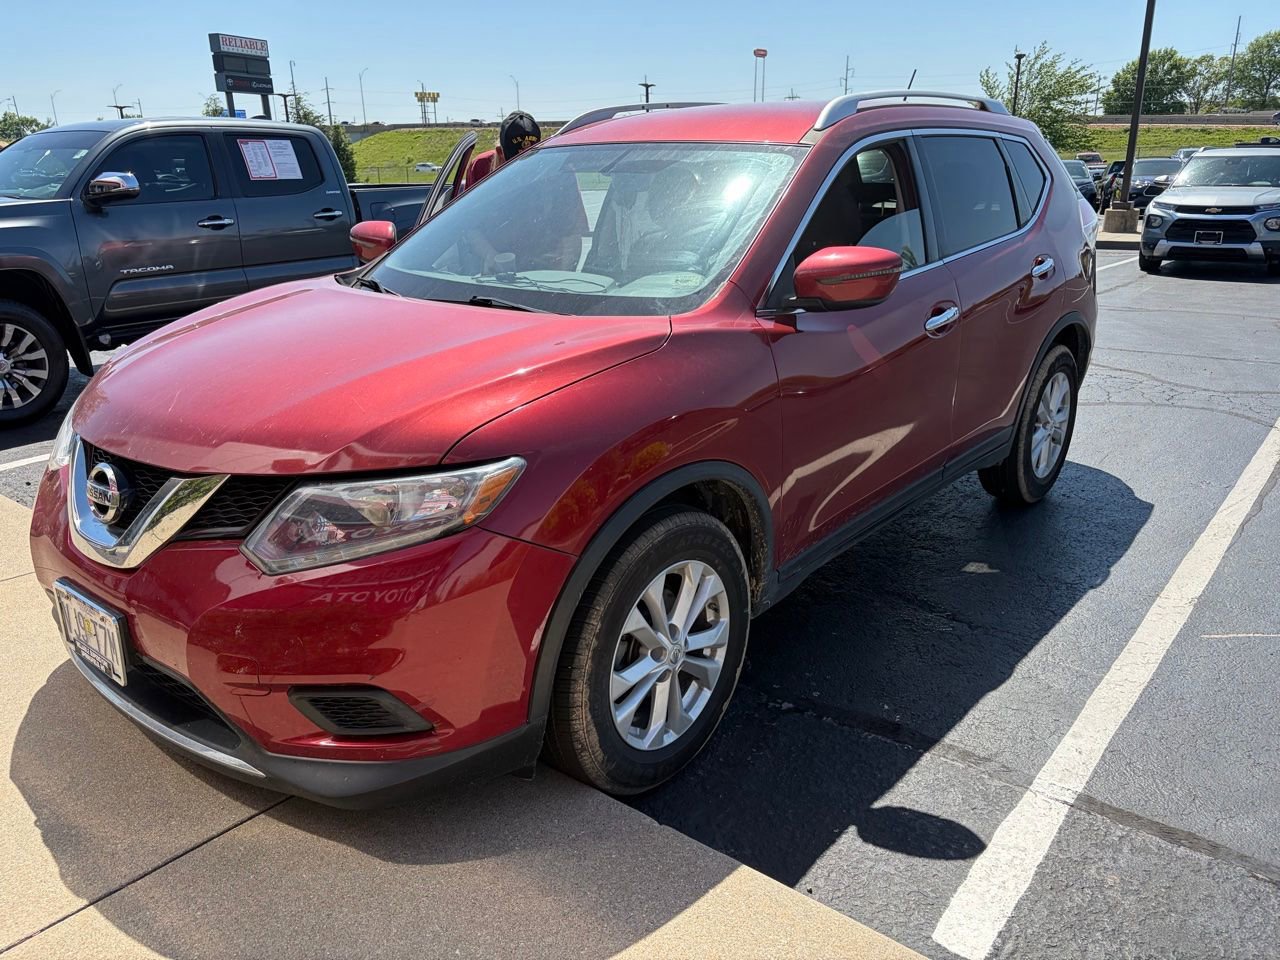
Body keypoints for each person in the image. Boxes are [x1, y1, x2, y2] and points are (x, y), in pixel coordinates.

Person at [463, 111, 542, 191]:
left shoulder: (548, 169)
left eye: (530, 158)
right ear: (500, 152)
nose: (523, 168)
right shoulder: (481, 166)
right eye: (515, 160)